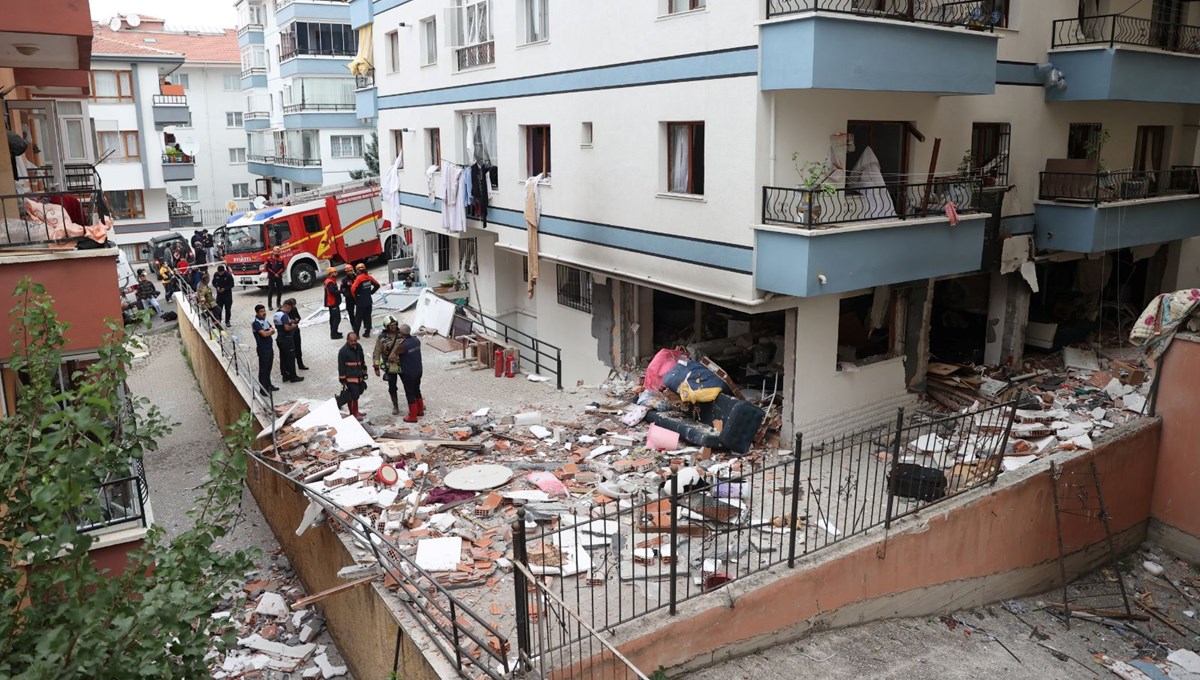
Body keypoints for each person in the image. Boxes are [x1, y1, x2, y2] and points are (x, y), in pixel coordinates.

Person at [372, 316, 405, 415]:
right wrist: (376, 367)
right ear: (386, 326)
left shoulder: (402, 334)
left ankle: (415, 402)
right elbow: (377, 352)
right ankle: (395, 406)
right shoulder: (382, 338)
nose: (393, 327)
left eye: (395, 325)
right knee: (392, 387)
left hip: (402, 364)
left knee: (409, 384)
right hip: (390, 366)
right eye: (391, 325)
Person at [395, 324, 424, 423]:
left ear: (402, 334)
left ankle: (412, 415)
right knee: (417, 390)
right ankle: (420, 410)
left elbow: (393, 355)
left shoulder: (403, 345)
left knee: (409, 393)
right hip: (418, 370)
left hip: (409, 372)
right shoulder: (416, 340)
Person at [338, 332, 368, 420]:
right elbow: (341, 366)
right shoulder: (343, 351)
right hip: (350, 378)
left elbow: (362, 360)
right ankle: (353, 413)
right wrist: (342, 379)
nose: (353, 342)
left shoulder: (359, 347)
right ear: (347, 340)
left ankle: (356, 411)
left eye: (355, 340)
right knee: (352, 395)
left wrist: (364, 371)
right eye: (351, 341)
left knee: (357, 394)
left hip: (358, 376)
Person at [252, 304, 279, 396]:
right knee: (263, 369)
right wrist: (269, 332)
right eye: (261, 311)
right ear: (257, 313)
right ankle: (263, 389)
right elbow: (263, 334)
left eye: (264, 311)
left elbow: (273, 329)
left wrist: (269, 331)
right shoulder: (256, 323)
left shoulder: (265, 320)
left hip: (269, 347)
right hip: (262, 349)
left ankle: (269, 385)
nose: (264, 313)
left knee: (269, 367)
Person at [273, 300, 303, 383]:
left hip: (279, 338)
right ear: (287, 306)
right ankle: (293, 376)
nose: (290, 311)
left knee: (283, 357)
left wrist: (290, 322)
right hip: (286, 338)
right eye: (290, 309)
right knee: (290, 357)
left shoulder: (276, 314)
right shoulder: (284, 315)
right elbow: (287, 328)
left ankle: (285, 375)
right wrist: (294, 326)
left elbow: (281, 324)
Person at [351, 263, 381, 337]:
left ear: (358, 270)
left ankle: (356, 334)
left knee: (358, 318)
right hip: (368, 301)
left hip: (361, 302)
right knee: (368, 317)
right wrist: (371, 292)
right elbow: (377, 285)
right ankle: (367, 333)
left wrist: (356, 298)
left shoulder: (359, 278)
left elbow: (353, 289)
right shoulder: (369, 277)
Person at [285, 297, 308, 371]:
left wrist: (296, 320)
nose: (293, 307)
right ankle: (290, 369)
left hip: (296, 330)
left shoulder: (294, 309)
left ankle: (300, 364)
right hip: (289, 333)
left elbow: (298, 317)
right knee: (290, 350)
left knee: (298, 347)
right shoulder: (285, 312)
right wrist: (291, 321)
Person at [324, 267, 343, 339]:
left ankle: (334, 331)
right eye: (335, 272)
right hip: (333, 302)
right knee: (337, 318)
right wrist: (341, 291)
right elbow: (332, 292)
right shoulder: (330, 282)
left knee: (333, 318)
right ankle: (334, 333)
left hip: (331, 302)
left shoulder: (329, 281)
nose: (336, 273)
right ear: (330, 273)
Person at [340, 264, 357, 334]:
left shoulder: (356, 277)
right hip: (349, 298)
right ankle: (353, 325)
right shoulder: (344, 280)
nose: (350, 272)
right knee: (350, 312)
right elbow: (342, 289)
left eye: (351, 271)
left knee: (361, 310)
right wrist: (346, 293)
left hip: (357, 297)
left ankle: (364, 323)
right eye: (348, 271)